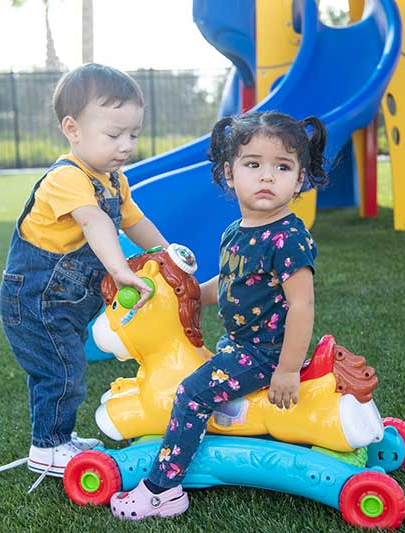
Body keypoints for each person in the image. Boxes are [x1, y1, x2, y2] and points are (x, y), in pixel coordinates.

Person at [109, 111, 327, 520]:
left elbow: (302, 305)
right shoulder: (236, 231)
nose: (266, 177)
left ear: (299, 180)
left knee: (192, 393)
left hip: (263, 354)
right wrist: (187, 295)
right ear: (230, 174)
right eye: (253, 164)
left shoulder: (289, 237)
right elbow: (227, 286)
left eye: (282, 167)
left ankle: (163, 488)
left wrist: (287, 370)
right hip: (238, 345)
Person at [0, 64, 168, 492]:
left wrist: (165, 255)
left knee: (64, 366)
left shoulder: (114, 180)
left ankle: (58, 437)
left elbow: (136, 221)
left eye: (133, 134)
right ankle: (47, 449)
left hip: (64, 300)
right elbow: (95, 222)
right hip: (35, 299)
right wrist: (120, 270)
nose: (126, 145)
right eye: (114, 134)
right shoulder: (66, 178)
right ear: (73, 129)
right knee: (61, 371)